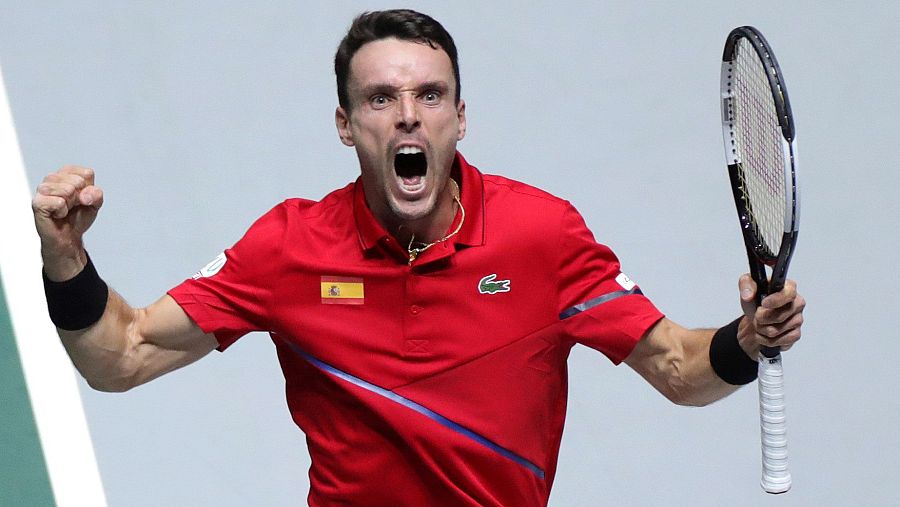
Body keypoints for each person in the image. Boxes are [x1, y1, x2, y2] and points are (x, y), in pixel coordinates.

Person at [31, 9, 804, 507]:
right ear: (345, 123)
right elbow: (121, 357)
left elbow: (678, 367)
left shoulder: (542, 235)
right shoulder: (289, 247)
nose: (408, 114)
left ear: (460, 117)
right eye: (380, 99)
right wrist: (65, 258)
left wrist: (746, 339)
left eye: (430, 95)